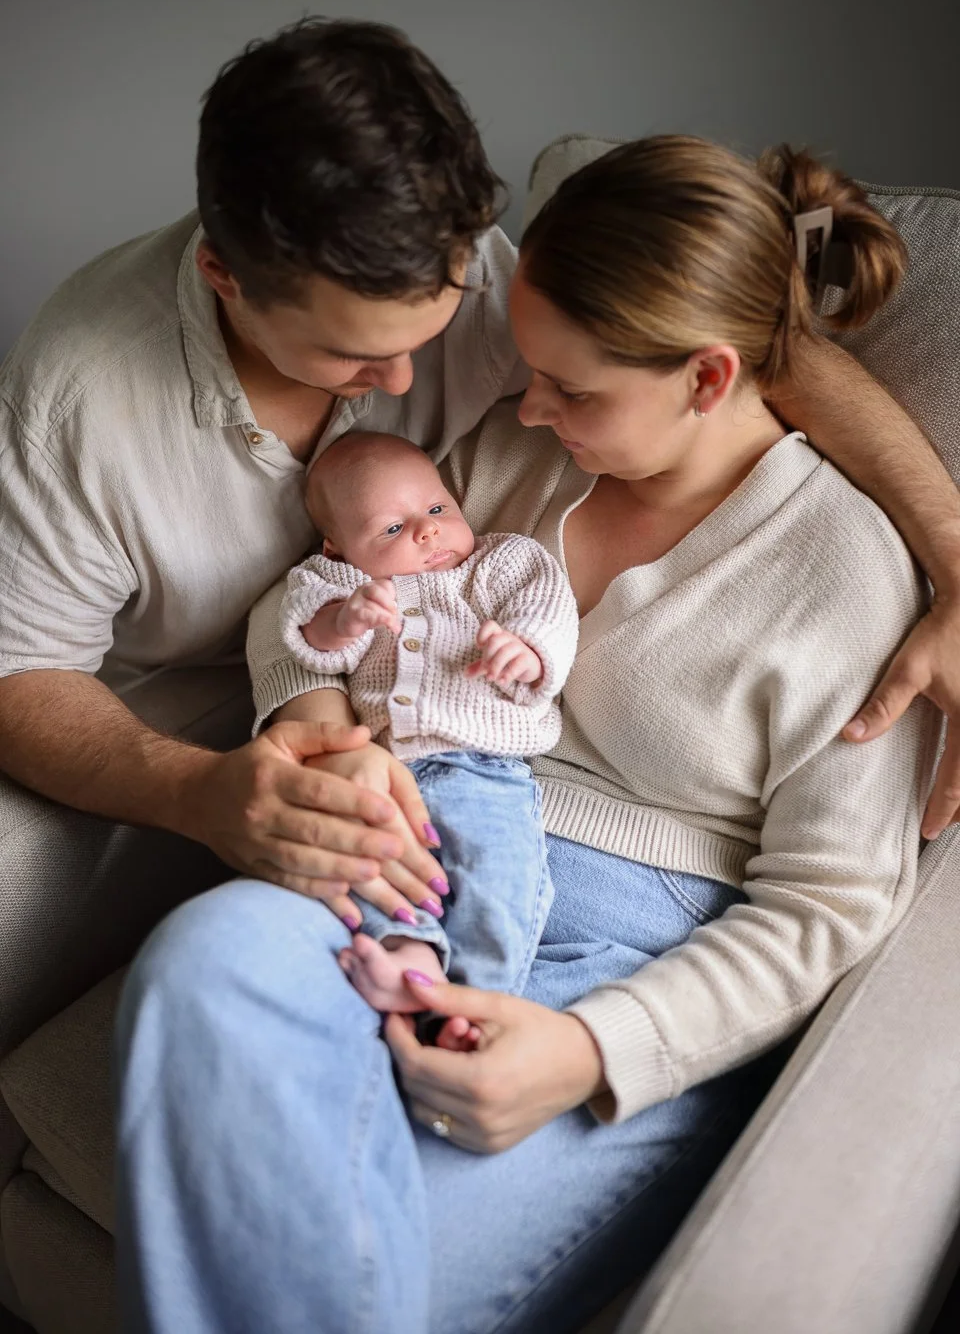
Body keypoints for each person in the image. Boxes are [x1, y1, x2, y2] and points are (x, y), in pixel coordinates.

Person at [114, 137, 941, 1333]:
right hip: (406, 857)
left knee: (352, 1274)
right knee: (204, 963)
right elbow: (315, 600)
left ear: (708, 379)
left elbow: (831, 907)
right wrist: (319, 714)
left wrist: (593, 1050)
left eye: (574, 386)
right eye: (531, 370)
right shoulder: (508, 454)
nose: (530, 406)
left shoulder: (846, 568)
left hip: (637, 962)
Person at [3, 18, 960, 945]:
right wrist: (197, 789)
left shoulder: (492, 290)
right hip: (216, 704)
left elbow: (745, 351)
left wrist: (955, 564)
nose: (407, 385)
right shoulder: (77, 400)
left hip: (439, 750)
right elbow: (17, 668)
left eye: (436, 325)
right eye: (352, 356)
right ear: (223, 274)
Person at [278, 430, 578, 1010]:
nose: (427, 530)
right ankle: (410, 958)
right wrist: (345, 619)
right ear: (337, 547)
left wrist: (527, 650)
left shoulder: (500, 560)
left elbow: (549, 608)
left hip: (485, 772)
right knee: (370, 868)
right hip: (388, 774)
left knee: (497, 881)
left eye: (438, 508)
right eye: (392, 528)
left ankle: (482, 1000)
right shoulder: (338, 582)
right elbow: (310, 641)